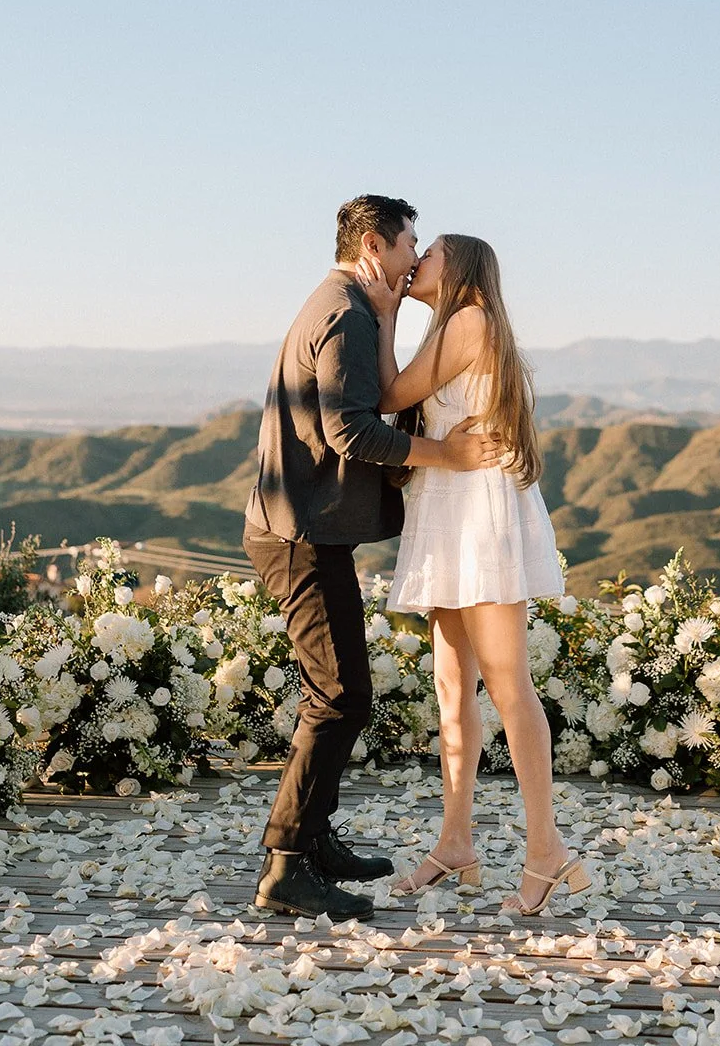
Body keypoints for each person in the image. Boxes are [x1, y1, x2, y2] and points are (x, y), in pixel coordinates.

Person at [243, 196, 503, 920]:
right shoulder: (348, 314)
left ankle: (313, 840)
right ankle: (286, 866)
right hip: (296, 535)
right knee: (337, 698)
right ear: (372, 245)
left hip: (306, 530)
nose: (414, 256)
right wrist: (442, 454)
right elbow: (348, 430)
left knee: (340, 694)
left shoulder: (347, 304)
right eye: (408, 242)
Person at [357, 233, 591, 916]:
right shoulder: (460, 324)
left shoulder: (468, 320)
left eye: (424, 255)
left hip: (478, 512)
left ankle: (546, 850)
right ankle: (456, 842)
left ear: (455, 268)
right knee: (451, 685)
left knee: (507, 685)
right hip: (448, 506)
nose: (413, 266)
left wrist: (383, 311)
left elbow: (390, 391)